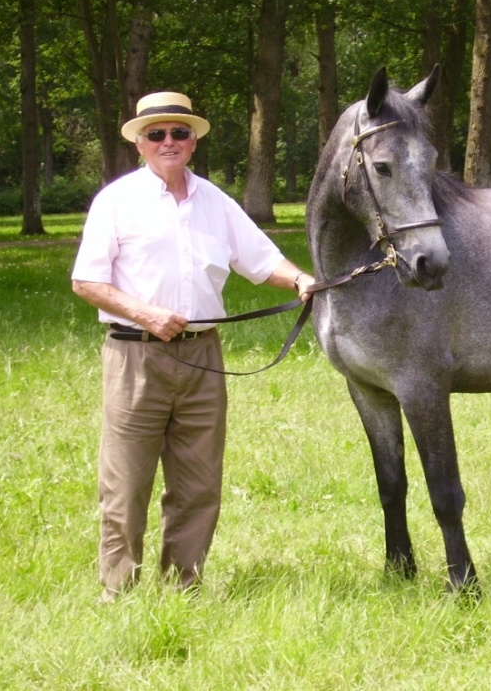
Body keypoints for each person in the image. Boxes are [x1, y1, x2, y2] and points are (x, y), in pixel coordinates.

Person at [71, 91, 313, 603]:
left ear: (194, 141)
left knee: (199, 484)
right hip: (135, 355)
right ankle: (118, 593)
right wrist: (146, 313)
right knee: (126, 485)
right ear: (139, 142)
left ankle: (185, 586)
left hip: (203, 357)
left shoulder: (215, 202)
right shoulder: (115, 201)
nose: (168, 142)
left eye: (179, 132)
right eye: (156, 133)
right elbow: (86, 282)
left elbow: (260, 259)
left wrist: (300, 281)